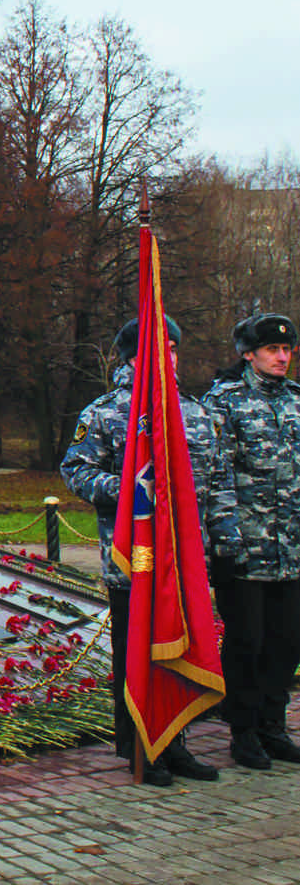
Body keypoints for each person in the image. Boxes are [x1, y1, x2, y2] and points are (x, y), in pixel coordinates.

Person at [60, 316, 232, 785]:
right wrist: (132, 490)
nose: (170, 358)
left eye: (175, 349)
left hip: (183, 562)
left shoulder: (195, 413)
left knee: (182, 650)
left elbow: (215, 482)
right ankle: (141, 747)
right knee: (136, 655)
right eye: (161, 348)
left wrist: (219, 539)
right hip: (133, 562)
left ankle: (176, 744)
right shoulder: (106, 412)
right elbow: (76, 471)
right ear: (134, 355)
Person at [203, 312, 300, 771]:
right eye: (272, 350)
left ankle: (272, 726)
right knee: (248, 641)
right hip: (246, 549)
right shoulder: (223, 403)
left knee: (287, 642)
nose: (283, 357)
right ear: (248, 353)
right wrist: (226, 541)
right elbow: (215, 476)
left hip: (293, 549)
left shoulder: (297, 401)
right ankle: (242, 731)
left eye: (287, 350)